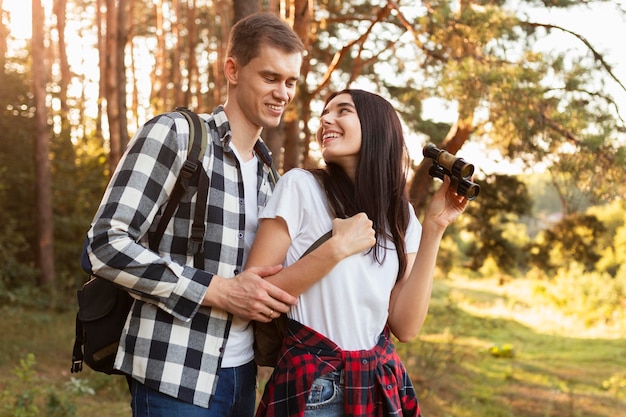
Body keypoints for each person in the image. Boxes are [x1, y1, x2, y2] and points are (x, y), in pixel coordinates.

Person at [82, 12, 305, 416]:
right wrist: (217, 290)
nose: (283, 93)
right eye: (271, 77)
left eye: (291, 82)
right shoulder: (177, 135)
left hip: (243, 375)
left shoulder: (272, 177)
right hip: (173, 372)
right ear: (233, 70)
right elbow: (104, 244)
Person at [246, 89, 470, 417]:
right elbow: (255, 297)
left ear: (376, 127)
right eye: (325, 112)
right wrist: (335, 250)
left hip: (380, 384)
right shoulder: (300, 187)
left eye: (343, 111)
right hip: (314, 388)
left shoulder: (400, 216)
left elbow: (405, 327)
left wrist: (434, 227)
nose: (325, 120)